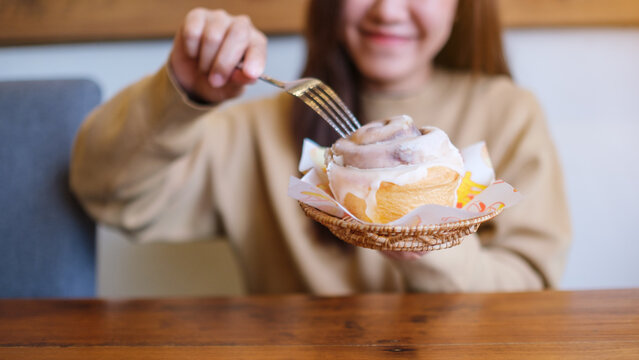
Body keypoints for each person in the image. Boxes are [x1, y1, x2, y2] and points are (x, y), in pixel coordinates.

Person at [70, 0, 571, 294]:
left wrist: (422, 238)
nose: (388, 9)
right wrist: (182, 92)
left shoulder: (508, 112)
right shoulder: (254, 131)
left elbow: (533, 287)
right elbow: (109, 195)